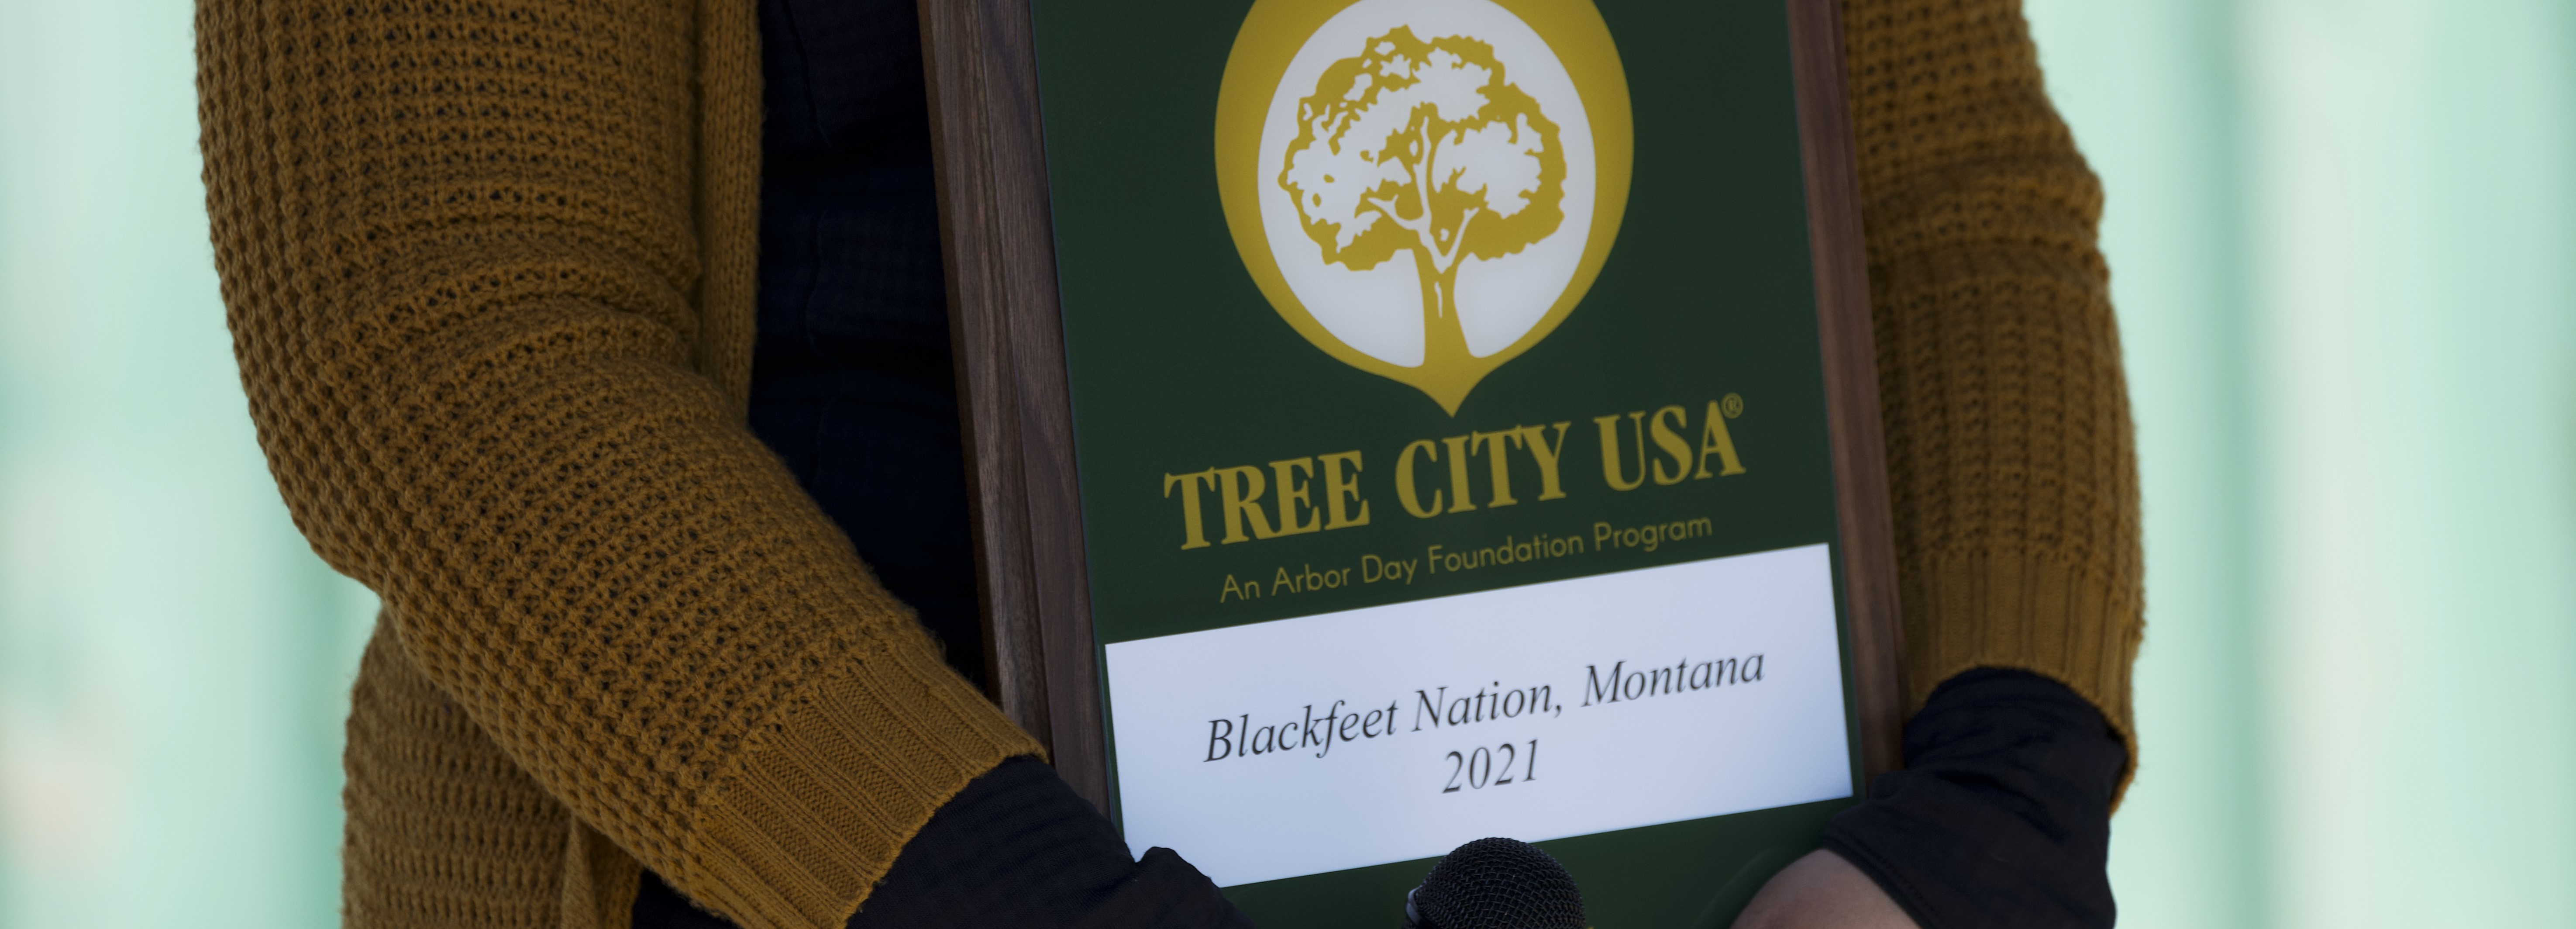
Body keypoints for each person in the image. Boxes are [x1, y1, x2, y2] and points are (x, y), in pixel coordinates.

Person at [194, 0, 2139, 926]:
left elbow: (1934, 181)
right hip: (815, 881)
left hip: (1713, 871)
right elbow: (446, 341)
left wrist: (1991, 815)